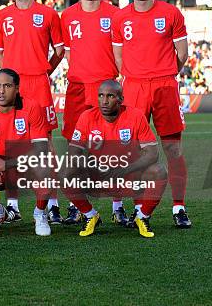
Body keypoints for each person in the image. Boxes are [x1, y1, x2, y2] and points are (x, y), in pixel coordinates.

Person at [111, 0, 191, 228]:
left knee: (172, 148)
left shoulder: (171, 13)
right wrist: (135, 77)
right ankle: (138, 208)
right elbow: (119, 57)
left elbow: (182, 53)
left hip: (165, 85)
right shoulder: (121, 18)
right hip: (134, 87)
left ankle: (179, 208)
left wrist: (166, 74)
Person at [0, 0, 64, 224]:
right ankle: (12, 204)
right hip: (12, 85)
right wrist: (9, 76)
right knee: (10, 138)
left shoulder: (49, 14)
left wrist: (44, 71)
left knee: (45, 142)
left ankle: (51, 203)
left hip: (39, 83)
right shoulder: (1, 17)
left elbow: (59, 51)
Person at [60, 0, 125, 225]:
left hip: (106, 86)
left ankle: (117, 205)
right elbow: (67, 52)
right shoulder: (67, 16)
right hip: (77, 86)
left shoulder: (115, 14)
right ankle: (78, 205)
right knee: (76, 148)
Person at [61, 80, 167, 238]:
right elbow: (73, 153)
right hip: (98, 175)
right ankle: (90, 215)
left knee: (159, 171)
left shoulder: (135, 116)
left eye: (110, 96)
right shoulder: (87, 117)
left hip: (129, 175)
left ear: (121, 99)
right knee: (65, 173)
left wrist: (123, 170)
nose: (104, 101)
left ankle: (142, 217)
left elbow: (152, 153)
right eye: (101, 96)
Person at [0, 69, 53, 236]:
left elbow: (41, 149)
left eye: (7, 86)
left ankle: (40, 213)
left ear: (17, 88)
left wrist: (5, 164)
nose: (1, 91)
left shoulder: (32, 107)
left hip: (23, 167)